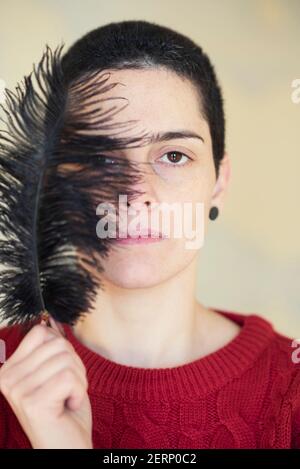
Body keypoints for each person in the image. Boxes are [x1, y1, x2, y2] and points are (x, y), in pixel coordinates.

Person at [0, 20, 299, 449]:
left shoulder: (292, 392)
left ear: (218, 181)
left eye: (174, 155)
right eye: (101, 157)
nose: (135, 195)